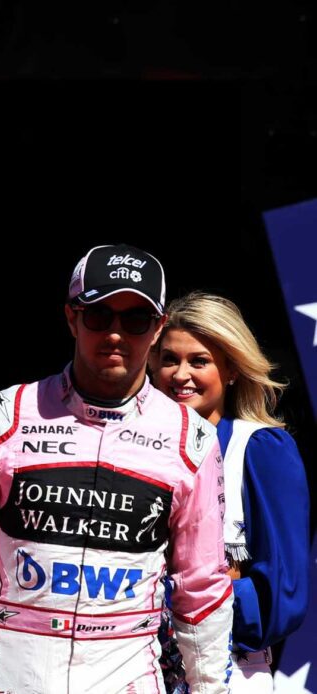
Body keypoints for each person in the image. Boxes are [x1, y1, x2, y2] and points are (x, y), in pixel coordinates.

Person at [0, 244, 234, 694]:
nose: (116, 333)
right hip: (10, 681)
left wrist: (211, 688)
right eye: (99, 315)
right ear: (71, 318)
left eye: (136, 320)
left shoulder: (193, 438)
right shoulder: (7, 415)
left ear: (158, 328)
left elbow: (203, 586)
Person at [151, 291, 310, 692]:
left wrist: (173, 595)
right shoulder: (126, 449)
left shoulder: (259, 449)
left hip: (229, 669)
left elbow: (282, 596)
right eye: (169, 359)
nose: (180, 374)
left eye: (199, 361)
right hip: (128, 668)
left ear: (232, 370)